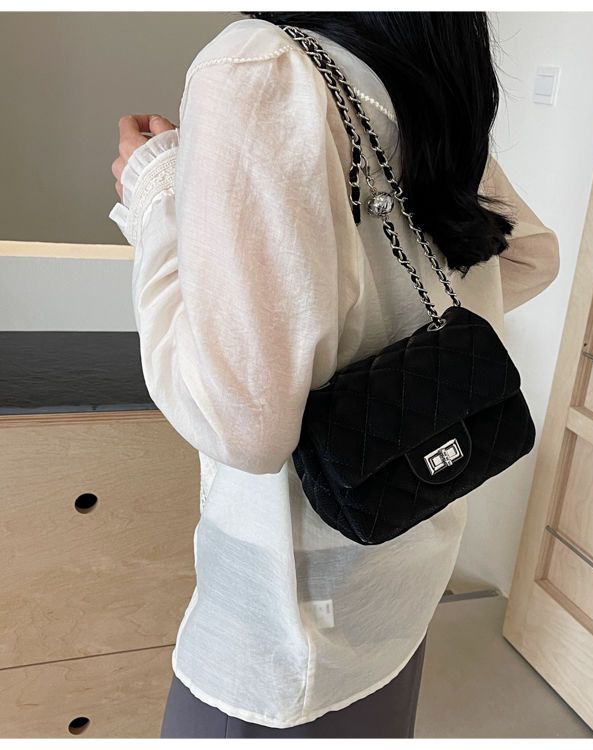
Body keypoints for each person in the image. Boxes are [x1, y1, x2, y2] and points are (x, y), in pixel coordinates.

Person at [108, 11, 559, 739]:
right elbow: (530, 258)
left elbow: (242, 425)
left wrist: (155, 191)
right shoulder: (417, 70)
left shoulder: (254, 68)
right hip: (403, 574)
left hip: (285, 624)